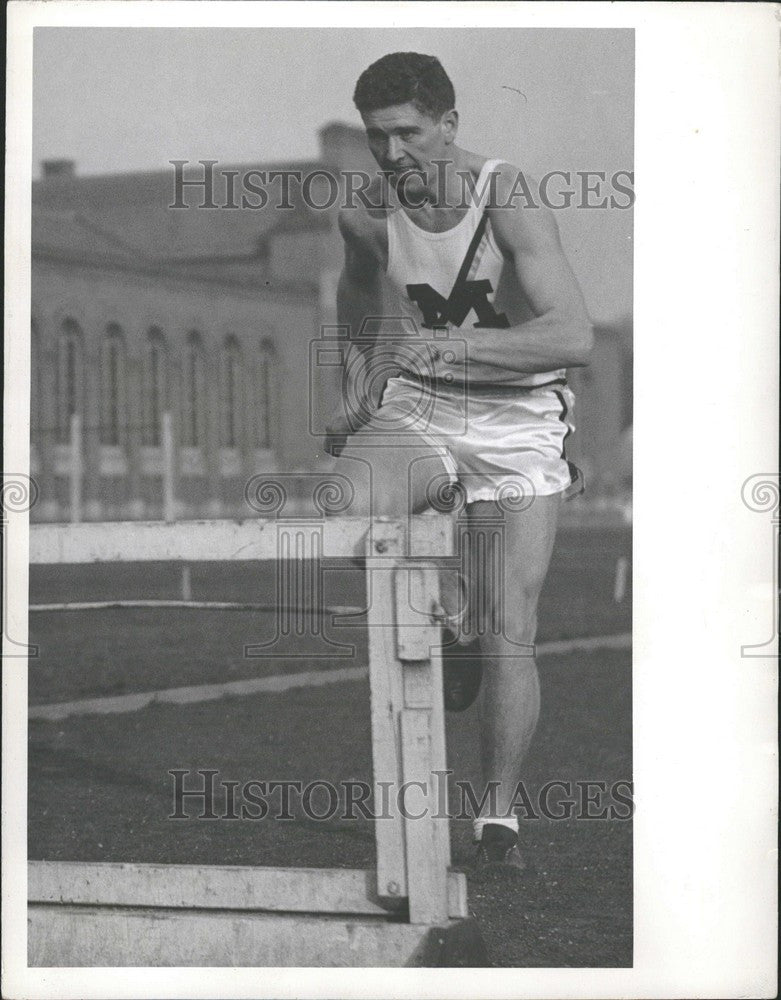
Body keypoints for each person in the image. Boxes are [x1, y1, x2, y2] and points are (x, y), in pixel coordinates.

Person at [324, 52, 593, 873]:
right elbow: (356, 295)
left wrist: (459, 347)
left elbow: (571, 335)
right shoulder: (366, 213)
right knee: (349, 499)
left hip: (516, 416)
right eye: (378, 138)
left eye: (409, 134)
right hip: (424, 403)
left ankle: (497, 822)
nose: (394, 156)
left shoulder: (502, 195)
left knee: (513, 623)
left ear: (448, 123)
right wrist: (354, 387)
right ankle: (451, 603)